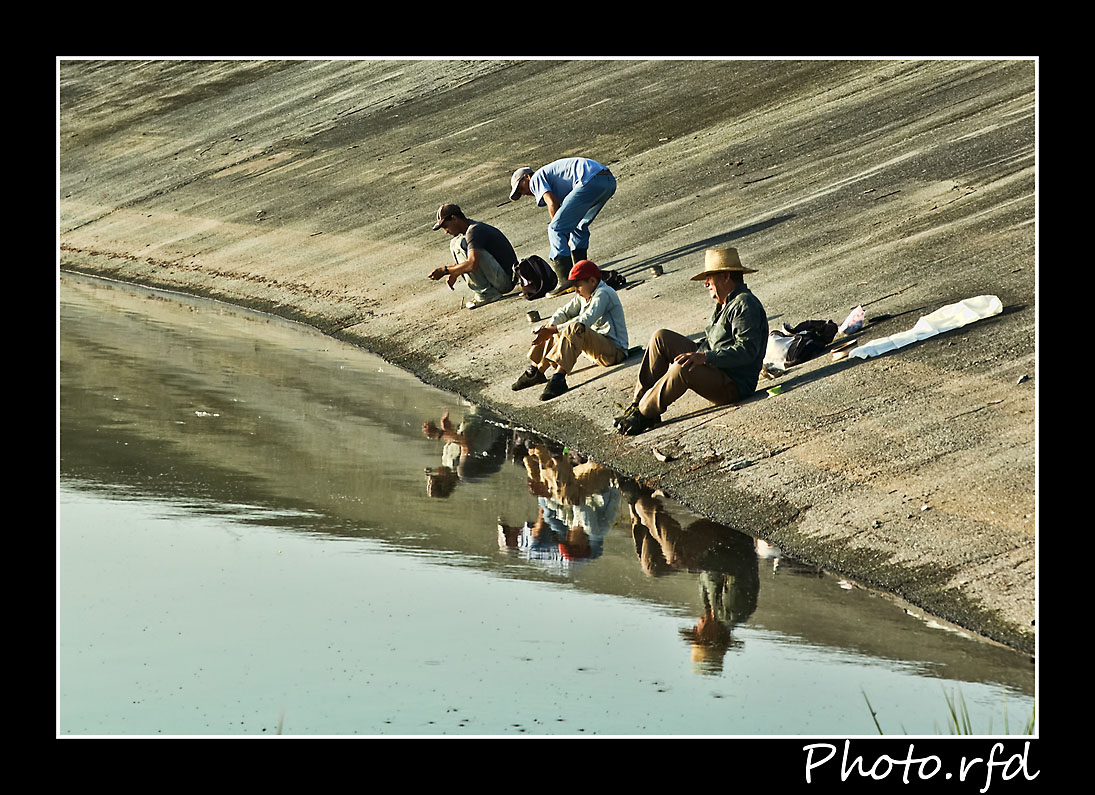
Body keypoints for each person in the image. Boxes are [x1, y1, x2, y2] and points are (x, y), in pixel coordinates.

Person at [615, 247, 767, 435]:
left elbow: (747, 350)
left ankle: (645, 413)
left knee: (683, 367)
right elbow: (715, 341)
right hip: (717, 368)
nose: (706, 284)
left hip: (733, 385)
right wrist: (700, 353)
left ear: (726, 276)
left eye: (709, 277)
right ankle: (637, 404)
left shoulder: (744, 304)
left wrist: (704, 358)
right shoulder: (726, 303)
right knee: (661, 337)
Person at [511, 259, 628, 402]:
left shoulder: (604, 293)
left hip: (613, 352)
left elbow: (586, 320)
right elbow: (564, 312)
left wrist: (553, 330)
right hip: (596, 350)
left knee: (575, 327)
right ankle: (536, 370)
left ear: (592, 281)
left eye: (578, 286)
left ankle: (559, 377)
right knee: (552, 325)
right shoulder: (584, 295)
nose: (576, 291)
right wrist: (550, 327)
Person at [508, 157, 617, 297]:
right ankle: (582, 274)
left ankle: (566, 281)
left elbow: (552, 203)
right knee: (579, 226)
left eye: (521, 188)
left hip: (588, 180)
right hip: (607, 181)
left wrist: (560, 230)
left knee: (555, 229)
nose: (524, 193)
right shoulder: (555, 178)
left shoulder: (536, 178)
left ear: (527, 177)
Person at [427, 203, 518, 309]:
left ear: (454, 218)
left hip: (507, 281)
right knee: (454, 243)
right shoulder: (470, 230)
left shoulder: (474, 230)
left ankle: (486, 294)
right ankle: (487, 292)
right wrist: (455, 272)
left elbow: (472, 264)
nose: (446, 231)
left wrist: (445, 270)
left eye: (445, 226)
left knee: (460, 243)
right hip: (499, 276)